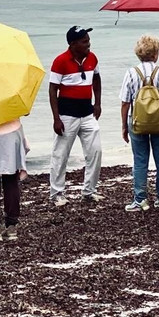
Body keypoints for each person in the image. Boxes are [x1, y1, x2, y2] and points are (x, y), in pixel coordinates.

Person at [48, 26, 103, 206]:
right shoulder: (60, 61)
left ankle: (89, 191)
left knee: (95, 152)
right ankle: (56, 193)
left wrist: (98, 103)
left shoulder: (92, 58)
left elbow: (96, 78)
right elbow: (53, 89)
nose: (89, 43)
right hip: (67, 115)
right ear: (73, 44)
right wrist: (56, 118)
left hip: (87, 113)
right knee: (61, 155)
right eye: (84, 41)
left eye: (88, 40)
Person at [119, 34, 159, 211]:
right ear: (156, 54)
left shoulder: (131, 73)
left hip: (137, 122)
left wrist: (123, 126)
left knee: (140, 160)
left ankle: (140, 199)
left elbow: (125, 102)